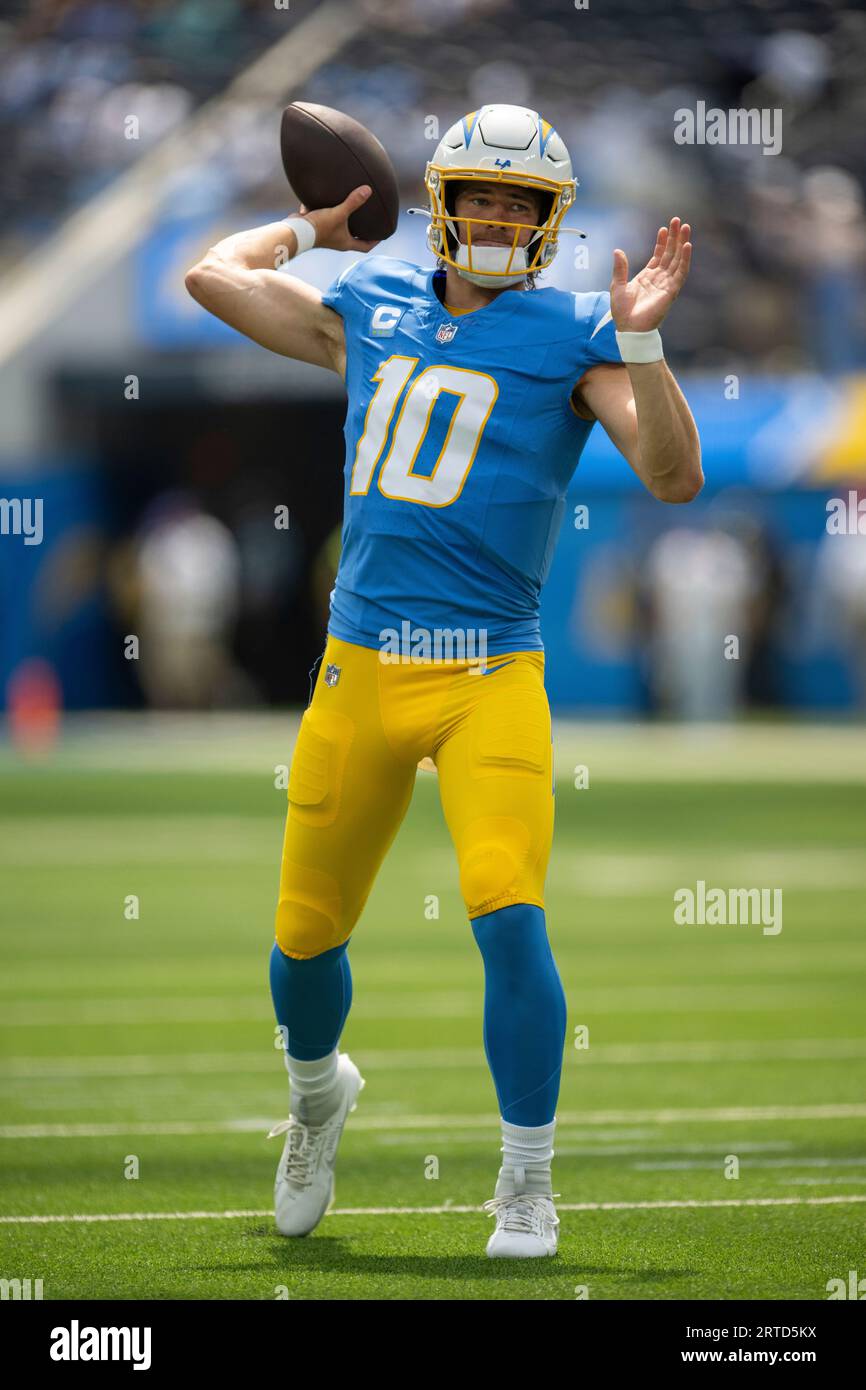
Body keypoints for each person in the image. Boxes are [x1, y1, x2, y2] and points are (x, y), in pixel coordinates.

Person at [185, 102, 702, 1258]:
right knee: (302, 941)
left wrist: (643, 346)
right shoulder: (368, 306)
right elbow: (210, 277)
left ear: (545, 220)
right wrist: (307, 225)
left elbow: (671, 477)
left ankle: (524, 1183)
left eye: (520, 203)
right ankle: (317, 1098)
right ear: (443, 203)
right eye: (481, 196)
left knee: (506, 912)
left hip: (486, 675)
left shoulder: (575, 333)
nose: (497, 217)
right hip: (360, 668)